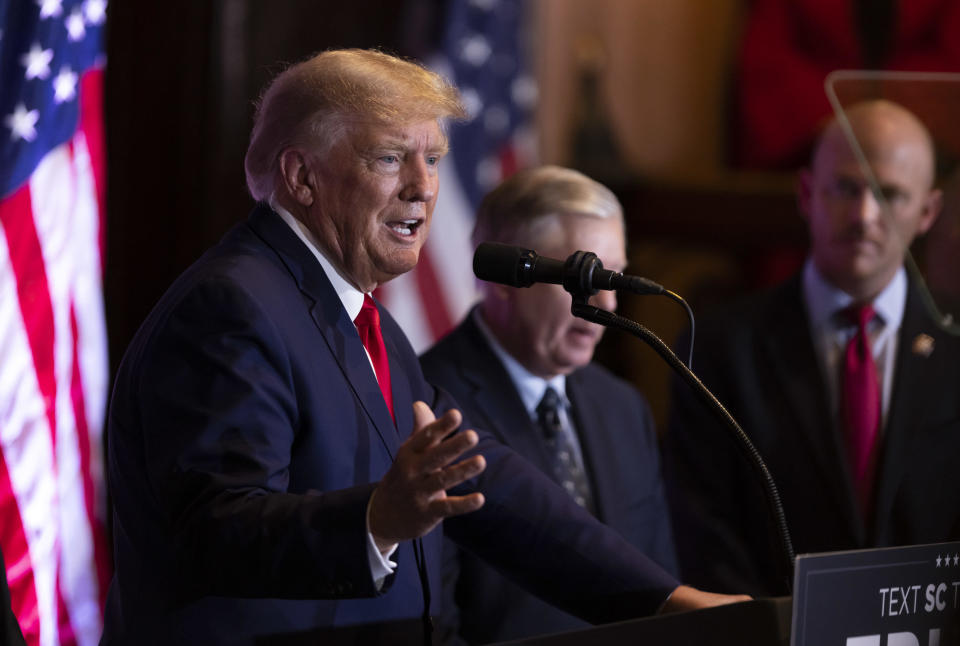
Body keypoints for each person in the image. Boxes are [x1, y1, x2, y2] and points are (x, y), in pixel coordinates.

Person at [101, 49, 744, 645]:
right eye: (389, 158)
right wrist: (376, 520)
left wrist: (668, 602)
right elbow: (213, 530)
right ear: (301, 176)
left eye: (433, 159)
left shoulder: (356, 316)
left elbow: (488, 481)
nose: (424, 187)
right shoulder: (232, 309)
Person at [666, 99, 960, 597]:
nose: (865, 216)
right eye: (847, 188)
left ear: (928, 211)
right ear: (807, 193)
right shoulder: (717, 347)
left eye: (889, 194)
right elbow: (705, 532)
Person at [420, 165, 679, 644]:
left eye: (614, 276)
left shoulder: (622, 407)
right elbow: (433, 622)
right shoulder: (427, 404)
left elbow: (661, 590)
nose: (606, 303)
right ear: (503, 279)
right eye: (583, 277)